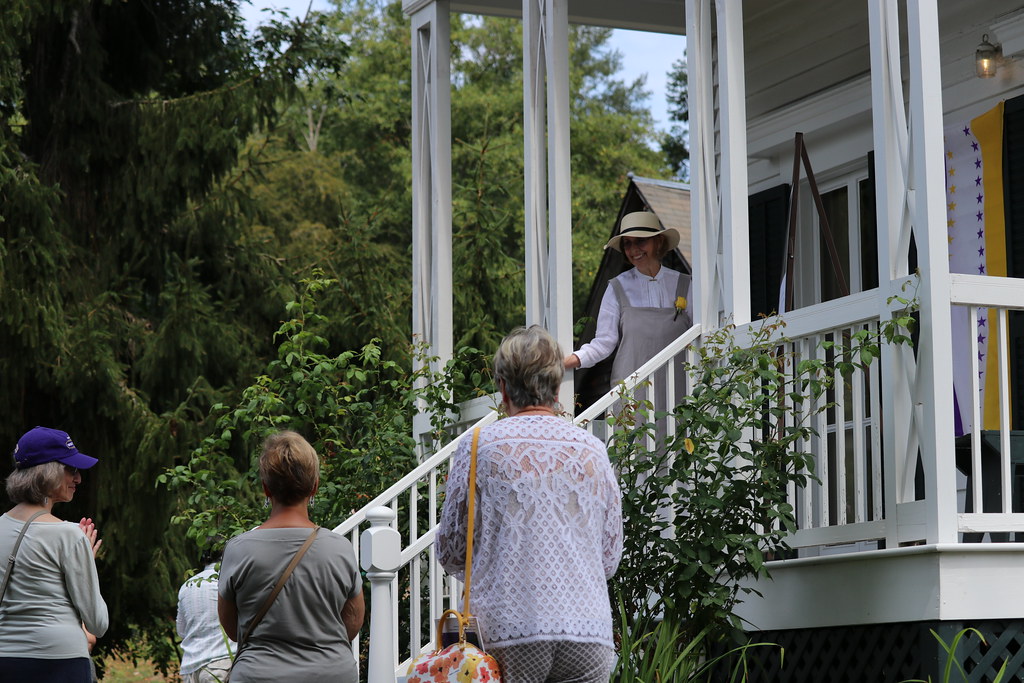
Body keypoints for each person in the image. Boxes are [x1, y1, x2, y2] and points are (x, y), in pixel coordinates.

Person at [436, 326, 623, 682]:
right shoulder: (593, 450)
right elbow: (609, 556)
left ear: (503, 387)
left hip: (509, 627)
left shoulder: (481, 445)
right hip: (588, 629)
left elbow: (452, 549)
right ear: (555, 387)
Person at [217, 431, 364, 683]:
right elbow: (352, 621)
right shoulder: (340, 548)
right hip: (330, 674)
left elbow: (232, 629)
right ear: (314, 486)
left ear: (266, 488)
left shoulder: (238, 549)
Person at [0, 426, 108, 682]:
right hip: (60, 661)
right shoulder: (69, 535)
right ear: (48, 472)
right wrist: (86, 565)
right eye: (71, 469)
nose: (78, 479)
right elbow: (97, 624)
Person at [564, 210, 691, 384]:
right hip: (630, 393)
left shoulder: (685, 284)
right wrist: (563, 362)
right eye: (627, 244)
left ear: (658, 241)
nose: (633, 250)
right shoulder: (617, 287)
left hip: (679, 388)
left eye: (641, 241)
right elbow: (603, 343)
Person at [177, 547, 235, 683]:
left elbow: (181, 631)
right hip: (221, 663)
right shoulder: (229, 580)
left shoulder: (187, 585)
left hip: (191, 668)